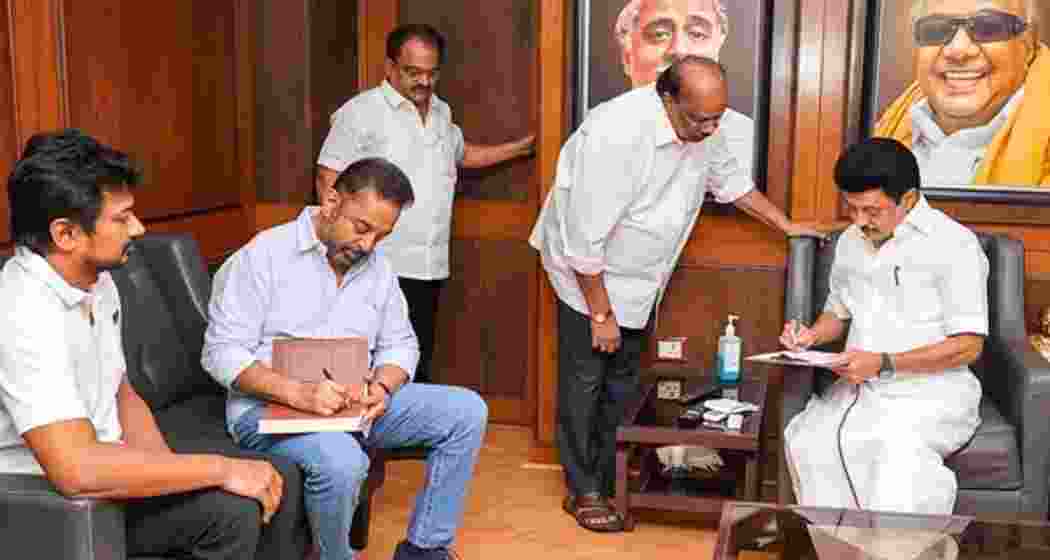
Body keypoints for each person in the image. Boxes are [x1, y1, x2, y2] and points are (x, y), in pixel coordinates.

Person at [529, 56, 820, 533]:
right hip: (585, 273)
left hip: (640, 275)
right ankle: (582, 489)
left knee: (623, 378)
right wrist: (600, 312)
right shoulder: (616, 134)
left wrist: (787, 227)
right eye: (699, 119)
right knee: (586, 380)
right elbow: (583, 240)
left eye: (717, 118)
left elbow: (732, 184)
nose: (710, 129)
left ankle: (611, 477)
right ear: (667, 98)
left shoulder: (705, 124)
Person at [0, 129, 291, 560]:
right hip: (46, 501)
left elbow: (120, 390)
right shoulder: (20, 310)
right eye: (121, 218)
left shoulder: (98, 283)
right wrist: (219, 469)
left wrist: (167, 471)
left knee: (276, 474)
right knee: (229, 510)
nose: (137, 229)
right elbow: (75, 468)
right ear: (65, 234)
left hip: (106, 473)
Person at [203, 157, 488, 560]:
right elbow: (221, 354)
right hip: (268, 409)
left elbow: (401, 344)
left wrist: (383, 386)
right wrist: (299, 394)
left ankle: (425, 548)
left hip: (354, 403)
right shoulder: (262, 257)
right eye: (362, 228)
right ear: (332, 200)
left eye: (382, 235)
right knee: (342, 460)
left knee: (466, 412)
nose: (368, 245)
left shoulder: (378, 268)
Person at [316, 24, 535, 384]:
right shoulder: (361, 112)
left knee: (413, 360)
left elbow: (462, 155)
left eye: (431, 73)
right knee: (370, 363)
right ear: (390, 68)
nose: (424, 81)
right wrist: (338, 248)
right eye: (413, 72)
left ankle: (409, 434)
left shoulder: (441, 113)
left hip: (429, 264)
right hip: (376, 261)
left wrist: (520, 149)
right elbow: (328, 177)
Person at [781, 137, 988, 514]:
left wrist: (884, 363)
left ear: (908, 200)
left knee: (893, 455)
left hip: (932, 392)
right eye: (851, 208)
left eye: (871, 210)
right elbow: (838, 311)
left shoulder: (954, 245)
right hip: (860, 387)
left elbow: (969, 345)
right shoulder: (850, 242)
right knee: (809, 442)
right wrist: (811, 334)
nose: (859, 221)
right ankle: (842, 552)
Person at [873, 0, 1049, 186]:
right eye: (936, 29)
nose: (957, 51)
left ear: (1028, 46)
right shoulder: (883, 133)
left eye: (988, 27)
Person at [614, 0, 755, 174]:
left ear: (718, 49)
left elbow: (734, 188)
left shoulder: (743, 140)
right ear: (627, 57)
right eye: (659, 34)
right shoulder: (605, 132)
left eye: (697, 34)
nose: (679, 50)